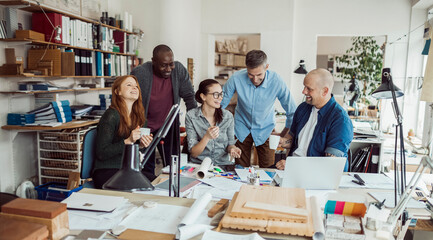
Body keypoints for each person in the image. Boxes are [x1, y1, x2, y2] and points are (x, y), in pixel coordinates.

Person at [221, 50, 296, 168]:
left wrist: (285, 134)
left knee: (269, 169)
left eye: (259, 75)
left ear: (266, 67)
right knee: (240, 170)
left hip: (266, 129)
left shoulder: (277, 81)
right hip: (241, 128)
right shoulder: (236, 78)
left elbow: (292, 110)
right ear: (246, 68)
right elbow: (220, 105)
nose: (255, 79)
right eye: (251, 75)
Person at [131, 44, 197, 175]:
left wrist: (195, 127)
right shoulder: (140, 73)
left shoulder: (178, 70)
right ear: (153, 61)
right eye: (163, 65)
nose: (168, 69)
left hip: (168, 126)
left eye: (170, 64)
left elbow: (190, 98)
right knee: (145, 167)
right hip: (145, 127)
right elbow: (130, 102)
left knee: (173, 166)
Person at [275, 68, 353, 171]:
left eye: (309, 89)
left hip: (315, 177)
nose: (304, 91)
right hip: (292, 169)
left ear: (325, 91)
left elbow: (330, 165)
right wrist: (282, 142)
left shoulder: (340, 120)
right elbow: (293, 140)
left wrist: (294, 166)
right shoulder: (303, 108)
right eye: (304, 87)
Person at [93, 75, 154, 189]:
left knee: (157, 182)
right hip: (106, 171)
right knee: (146, 188)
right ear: (118, 91)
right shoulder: (111, 115)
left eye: (136, 86)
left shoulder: (140, 118)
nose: (135, 88)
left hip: (128, 170)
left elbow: (136, 153)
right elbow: (102, 153)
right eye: (129, 85)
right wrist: (128, 141)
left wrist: (141, 145)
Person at [185, 79, 242, 165]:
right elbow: (194, 153)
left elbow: (230, 144)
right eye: (216, 94)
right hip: (200, 166)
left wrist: (232, 149)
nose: (220, 98)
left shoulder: (227, 116)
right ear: (203, 96)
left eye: (221, 94)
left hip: (222, 167)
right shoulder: (191, 116)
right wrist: (207, 137)